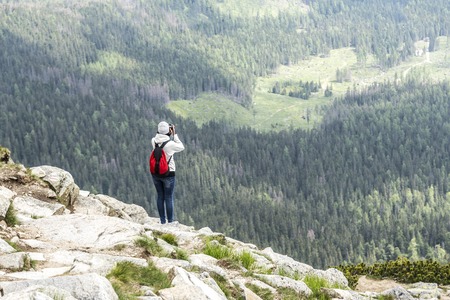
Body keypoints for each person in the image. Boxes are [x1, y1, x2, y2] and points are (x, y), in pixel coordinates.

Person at [151, 121, 185, 224]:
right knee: (168, 197)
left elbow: (158, 137)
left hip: (156, 174)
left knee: (160, 196)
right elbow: (181, 146)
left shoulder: (153, 141)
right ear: (168, 131)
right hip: (168, 173)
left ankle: (162, 221)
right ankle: (170, 222)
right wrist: (174, 134)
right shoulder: (170, 144)